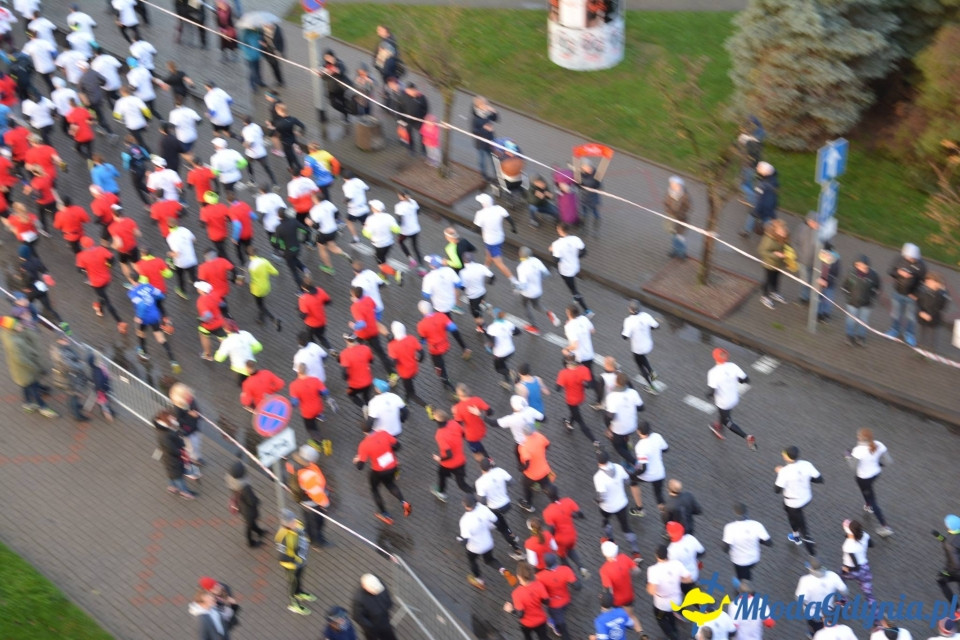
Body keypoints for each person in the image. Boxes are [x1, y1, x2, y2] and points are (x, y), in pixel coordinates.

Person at [354, 422, 411, 525]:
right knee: (390, 484)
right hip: (392, 466)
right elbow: (398, 446)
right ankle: (404, 502)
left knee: (375, 490)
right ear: (372, 427)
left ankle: (385, 514)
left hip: (378, 471)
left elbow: (360, 467)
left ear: (363, 432)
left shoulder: (364, 445)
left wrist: (356, 460)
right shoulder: (384, 433)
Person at [0, 316, 57, 417]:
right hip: (26, 370)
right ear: (11, 328)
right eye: (17, 325)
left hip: (19, 371)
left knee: (25, 386)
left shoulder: (8, 334)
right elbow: (21, 359)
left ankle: (27, 404)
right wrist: (34, 367)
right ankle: (43, 407)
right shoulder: (14, 342)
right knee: (34, 388)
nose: (20, 325)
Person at [459, 493, 518, 590]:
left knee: (472, 561)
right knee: (490, 560)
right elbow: (496, 521)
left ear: (465, 505)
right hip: (488, 543)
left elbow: (465, 540)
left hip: (474, 548)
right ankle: (503, 570)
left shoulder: (464, 520)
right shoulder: (483, 508)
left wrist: (460, 540)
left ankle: (479, 580)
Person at [594, 451, 643, 560]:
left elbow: (602, 497)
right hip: (622, 504)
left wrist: (596, 500)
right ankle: (636, 552)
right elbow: (628, 481)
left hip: (607, 507)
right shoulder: (618, 467)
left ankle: (610, 540)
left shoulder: (598, 477)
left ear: (598, 462)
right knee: (626, 528)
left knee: (606, 521)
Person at [846, 428, 894, 538]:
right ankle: (867, 505)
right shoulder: (878, 444)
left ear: (861, 438)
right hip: (875, 474)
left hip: (864, 478)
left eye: (858, 436)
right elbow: (889, 461)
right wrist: (877, 463)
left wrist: (847, 456)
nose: (857, 437)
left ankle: (885, 526)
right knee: (866, 491)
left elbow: (853, 467)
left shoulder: (858, 450)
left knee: (872, 499)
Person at [775, 445, 823, 554]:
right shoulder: (807, 464)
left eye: (784, 454)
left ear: (787, 458)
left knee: (804, 531)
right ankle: (795, 535)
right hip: (806, 498)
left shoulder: (784, 472)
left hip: (793, 503)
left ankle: (814, 559)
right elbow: (819, 479)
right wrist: (803, 478)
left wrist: (780, 472)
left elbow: (777, 490)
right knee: (791, 515)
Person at [475, 458, 525, 559]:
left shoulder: (480, 482)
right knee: (503, 523)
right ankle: (512, 536)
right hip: (507, 503)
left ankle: (518, 551)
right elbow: (512, 482)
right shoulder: (499, 471)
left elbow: (483, 502)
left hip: (495, 509)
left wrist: (477, 497)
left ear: (481, 468)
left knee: (503, 529)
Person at [706, 347, 755, 448]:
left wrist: (708, 395)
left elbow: (712, 391)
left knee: (728, 422)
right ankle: (718, 425)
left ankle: (747, 437)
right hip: (734, 398)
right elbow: (746, 380)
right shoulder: (733, 366)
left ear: (715, 358)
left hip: (723, 402)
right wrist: (739, 380)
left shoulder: (713, 372)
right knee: (723, 414)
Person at [129, 276, 180, 372]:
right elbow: (160, 295)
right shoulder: (148, 286)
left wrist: (139, 317)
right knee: (161, 338)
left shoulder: (133, 293)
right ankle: (173, 361)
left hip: (144, 318)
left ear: (131, 280)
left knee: (140, 332)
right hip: (155, 316)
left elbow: (141, 305)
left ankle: (144, 352)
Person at [274, 508, 316, 615]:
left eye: (294, 519)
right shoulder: (282, 536)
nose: (295, 522)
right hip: (291, 566)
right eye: (292, 521)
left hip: (301, 561)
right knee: (292, 583)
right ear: (286, 524)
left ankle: (299, 592)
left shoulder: (297, 524)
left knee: (299, 579)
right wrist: (296, 559)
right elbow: (283, 556)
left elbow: (304, 533)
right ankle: (294, 604)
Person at [885, 242, 928, 346]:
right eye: (908, 256)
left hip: (911, 297)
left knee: (911, 317)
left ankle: (909, 334)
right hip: (897, 293)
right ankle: (894, 330)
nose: (910, 259)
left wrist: (916, 294)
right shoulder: (899, 259)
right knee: (896, 313)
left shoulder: (921, 266)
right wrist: (899, 273)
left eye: (912, 257)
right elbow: (890, 271)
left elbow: (924, 283)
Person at [647, 543, 692, 640]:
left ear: (656, 555)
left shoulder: (653, 570)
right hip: (676, 599)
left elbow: (651, 591)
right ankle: (674, 628)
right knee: (671, 614)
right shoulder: (677, 564)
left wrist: (648, 585)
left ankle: (673, 636)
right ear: (667, 554)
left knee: (661, 619)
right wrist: (678, 580)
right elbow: (689, 579)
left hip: (661, 605)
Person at [796, 558, 847, 637]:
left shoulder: (805, 581)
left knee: (815, 629)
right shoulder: (832, 575)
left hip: (812, 613)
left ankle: (813, 635)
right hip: (828, 610)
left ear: (811, 569)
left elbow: (799, 599)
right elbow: (844, 591)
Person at [599, 540, 643, 632]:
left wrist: (603, 600)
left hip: (616, 601)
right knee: (632, 616)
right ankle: (642, 634)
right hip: (629, 595)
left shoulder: (604, 570)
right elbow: (637, 571)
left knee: (616, 621)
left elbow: (608, 591)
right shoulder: (624, 557)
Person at [563, 305, 602, 406]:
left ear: (569, 314)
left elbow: (575, 345)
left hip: (580, 357)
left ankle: (594, 392)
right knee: (589, 376)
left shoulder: (569, 326)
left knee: (586, 377)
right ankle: (598, 397)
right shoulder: (584, 319)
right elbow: (593, 331)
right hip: (589, 353)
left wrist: (566, 349)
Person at [722, 502, 771, 583]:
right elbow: (769, 543)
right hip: (754, 558)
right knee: (747, 571)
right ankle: (745, 581)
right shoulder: (757, 525)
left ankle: (745, 589)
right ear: (747, 513)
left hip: (738, 560)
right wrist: (756, 539)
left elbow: (725, 548)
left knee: (742, 577)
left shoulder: (730, 528)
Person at [555, 354, 597, 446]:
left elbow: (557, 389)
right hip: (581, 398)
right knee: (574, 412)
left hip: (571, 400)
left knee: (580, 421)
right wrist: (582, 384)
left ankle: (594, 441)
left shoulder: (563, 373)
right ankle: (569, 424)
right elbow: (590, 385)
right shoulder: (584, 369)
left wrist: (561, 382)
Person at [603, 372, 643, 468]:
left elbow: (609, 416)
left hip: (619, 429)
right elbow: (641, 407)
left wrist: (609, 428)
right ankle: (627, 449)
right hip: (632, 425)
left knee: (618, 447)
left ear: (616, 382)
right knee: (625, 441)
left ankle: (635, 462)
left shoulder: (612, 397)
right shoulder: (633, 393)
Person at [515, 246, 557, 336]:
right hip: (538, 291)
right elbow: (547, 274)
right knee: (536, 305)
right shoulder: (535, 260)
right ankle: (549, 313)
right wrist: (539, 279)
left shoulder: (521, 268)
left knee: (525, 307)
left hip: (527, 293)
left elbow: (523, 285)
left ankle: (534, 327)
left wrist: (517, 289)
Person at [502, 561, 550, 640]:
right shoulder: (539, 585)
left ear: (519, 576)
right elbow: (546, 601)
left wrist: (510, 610)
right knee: (543, 637)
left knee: (527, 637)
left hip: (527, 624)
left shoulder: (516, 594)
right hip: (541, 620)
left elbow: (521, 614)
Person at [154, 408, 196, 498]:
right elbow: (171, 449)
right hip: (171, 459)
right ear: (166, 419)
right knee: (177, 476)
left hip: (170, 458)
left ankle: (172, 487)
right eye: (171, 417)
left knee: (172, 474)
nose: (173, 418)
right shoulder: (164, 434)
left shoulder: (166, 428)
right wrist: (181, 453)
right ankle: (184, 492)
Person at [474, 193, 517, 278]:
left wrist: (480, 229)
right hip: (500, 238)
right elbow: (509, 219)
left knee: (499, 263)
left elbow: (476, 229)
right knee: (489, 255)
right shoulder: (499, 208)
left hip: (490, 241)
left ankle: (514, 281)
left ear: (483, 204)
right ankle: (485, 270)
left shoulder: (480, 214)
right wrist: (513, 228)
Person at [842, 254, 881, 347]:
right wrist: (848, 298)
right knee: (851, 320)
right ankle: (849, 336)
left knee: (863, 321)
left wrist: (872, 298)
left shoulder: (873, 275)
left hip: (866, 304)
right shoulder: (851, 273)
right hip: (852, 302)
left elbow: (877, 288)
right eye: (859, 265)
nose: (861, 267)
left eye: (864, 266)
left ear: (868, 266)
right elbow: (844, 286)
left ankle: (861, 337)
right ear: (856, 265)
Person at [225, 461, 265, 547]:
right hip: (248, 510)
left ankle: (259, 531)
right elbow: (252, 501)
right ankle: (250, 542)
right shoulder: (245, 487)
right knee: (249, 524)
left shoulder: (230, 479)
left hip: (241, 506)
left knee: (251, 522)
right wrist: (258, 501)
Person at [631, 421, 668, 515]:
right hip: (660, 473)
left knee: (632, 482)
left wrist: (633, 474)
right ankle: (667, 519)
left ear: (638, 431)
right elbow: (666, 449)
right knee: (658, 495)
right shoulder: (657, 436)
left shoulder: (640, 446)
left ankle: (639, 509)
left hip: (648, 475)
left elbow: (643, 468)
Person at [363, 200, 403, 285]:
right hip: (389, 243)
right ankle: (383, 277)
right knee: (383, 260)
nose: (371, 208)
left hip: (379, 245)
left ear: (374, 209)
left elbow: (367, 234)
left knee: (381, 264)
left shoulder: (371, 220)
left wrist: (365, 229)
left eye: (372, 207)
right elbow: (397, 230)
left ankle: (396, 273)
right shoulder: (389, 217)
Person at [518, 425, 553, 512]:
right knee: (547, 487)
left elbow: (527, 463)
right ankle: (555, 501)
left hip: (531, 475)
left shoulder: (523, 446)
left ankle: (529, 504)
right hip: (544, 470)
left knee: (526, 487)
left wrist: (521, 468)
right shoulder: (539, 436)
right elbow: (547, 445)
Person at [353, 574, 397, 640]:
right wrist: (371, 627)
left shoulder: (378, 582)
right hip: (373, 628)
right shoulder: (359, 599)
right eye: (374, 589)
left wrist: (388, 604)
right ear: (364, 587)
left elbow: (386, 593)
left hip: (384, 621)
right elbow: (358, 617)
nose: (376, 591)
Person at [758, 218, 790, 309]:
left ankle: (774, 292)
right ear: (776, 230)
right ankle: (764, 296)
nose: (784, 232)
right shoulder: (769, 239)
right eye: (782, 231)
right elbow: (762, 251)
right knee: (768, 279)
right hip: (769, 263)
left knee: (776, 279)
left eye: (784, 230)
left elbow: (786, 246)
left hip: (779, 263)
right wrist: (775, 254)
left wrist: (787, 257)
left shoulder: (784, 237)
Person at [741, 161, 778, 237]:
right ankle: (746, 231)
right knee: (756, 216)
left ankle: (773, 235)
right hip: (763, 204)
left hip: (763, 206)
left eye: (759, 169)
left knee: (761, 218)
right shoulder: (769, 179)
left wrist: (757, 210)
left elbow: (764, 199)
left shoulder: (766, 184)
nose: (757, 170)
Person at [915, 272, 950, 351]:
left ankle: (931, 350)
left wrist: (930, 315)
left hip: (934, 318)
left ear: (937, 283)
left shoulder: (942, 295)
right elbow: (918, 302)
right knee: (922, 331)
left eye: (930, 282)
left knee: (932, 334)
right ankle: (920, 346)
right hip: (923, 316)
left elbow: (941, 307)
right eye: (927, 281)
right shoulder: (922, 290)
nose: (927, 283)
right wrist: (921, 312)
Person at [340, 333, 375, 408]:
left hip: (355, 385)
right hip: (368, 382)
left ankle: (364, 407)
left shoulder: (344, 354)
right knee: (366, 397)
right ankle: (369, 410)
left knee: (350, 394)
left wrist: (346, 378)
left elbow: (344, 374)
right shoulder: (366, 348)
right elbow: (371, 361)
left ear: (346, 341)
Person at [471, 95, 498, 181]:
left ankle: (497, 176)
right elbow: (474, 131)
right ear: (478, 106)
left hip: (490, 141)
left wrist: (494, 112)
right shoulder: (475, 118)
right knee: (482, 161)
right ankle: (484, 175)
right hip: (481, 144)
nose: (486, 106)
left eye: (486, 104)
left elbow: (496, 119)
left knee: (494, 159)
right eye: (483, 105)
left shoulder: (487, 113)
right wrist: (484, 129)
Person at [664, 176, 690, 259]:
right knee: (673, 236)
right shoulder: (669, 192)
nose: (671, 185)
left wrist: (681, 214)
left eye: (673, 184)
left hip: (681, 219)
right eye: (671, 184)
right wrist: (669, 211)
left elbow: (688, 207)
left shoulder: (685, 195)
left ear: (679, 185)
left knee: (680, 237)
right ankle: (675, 251)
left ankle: (682, 254)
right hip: (671, 218)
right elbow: (666, 203)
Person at [341, 169, 370, 244]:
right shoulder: (358, 180)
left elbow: (349, 197)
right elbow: (368, 188)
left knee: (349, 221)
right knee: (366, 226)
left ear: (344, 178)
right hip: (364, 208)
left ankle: (356, 238)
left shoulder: (346, 186)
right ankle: (376, 241)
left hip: (354, 211)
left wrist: (344, 201)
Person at [578, 162, 603, 237]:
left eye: (588, 167)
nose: (588, 169)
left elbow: (599, 186)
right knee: (583, 214)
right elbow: (578, 186)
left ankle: (596, 231)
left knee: (596, 215)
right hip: (584, 198)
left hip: (593, 198)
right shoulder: (581, 174)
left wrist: (594, 185)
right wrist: (578, 182)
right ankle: (583, 229)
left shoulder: (596, 174)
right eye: (585, 167)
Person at [260, 23, 285, 87]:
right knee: (272, 66)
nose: (267, 26)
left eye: (269, 25)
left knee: (276, 66)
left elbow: (281, 42)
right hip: (267, 51)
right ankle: (278, 80)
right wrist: (262, 42)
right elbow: (261, 38)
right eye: (266, 25)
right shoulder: (262, 30)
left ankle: (280, 81)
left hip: (276, 51)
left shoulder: (277, 30)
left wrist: (281, 52)